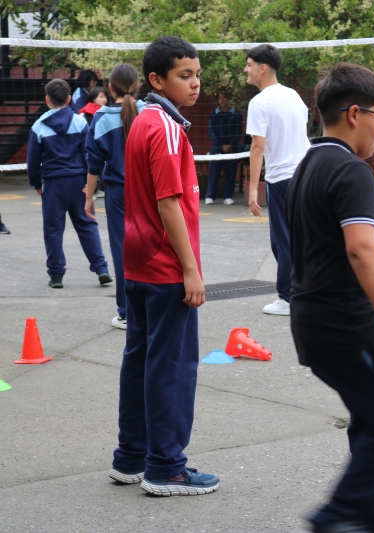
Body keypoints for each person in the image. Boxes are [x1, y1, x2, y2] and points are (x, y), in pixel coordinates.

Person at [286, 62, 374, 533]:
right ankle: (340, 517)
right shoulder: (352, 171)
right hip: (350, 327)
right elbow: (357, 248)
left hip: (315, 324)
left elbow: (329, 240)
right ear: (353, 114)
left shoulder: (309, 164)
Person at [110, 36, 219, 496]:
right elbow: (169, 204)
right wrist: (190, 270)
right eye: (184, 76)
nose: (195, 83)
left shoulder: (142, 120)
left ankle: (130, 457)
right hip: (164, 269)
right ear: (157, 79)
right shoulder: (166, 128)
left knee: (140, 360)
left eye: (196, 74)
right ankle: (166, 466)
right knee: (171, 366)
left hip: (136, 266)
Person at [26, 78, 111, 289]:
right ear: (69, 99)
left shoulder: (38, 126)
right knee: (87, 224)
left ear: (47, 99)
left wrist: (36, 182)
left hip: (53, 183)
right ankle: (101, 269)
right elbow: (89, 154)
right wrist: (93, 182)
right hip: (79, 181)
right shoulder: (80, 121)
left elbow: (33, 160)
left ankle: (56, 275)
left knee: (53, 229)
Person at [245, 44, 310, 316]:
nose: (245, 70)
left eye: (249, 65)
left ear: (263, 68)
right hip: (305, 174)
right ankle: (303, 290)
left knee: (284, 240)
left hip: (282, 179)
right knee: (292, 239)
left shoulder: (259, 102)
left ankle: (287, 297)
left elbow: (257, 147)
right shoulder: (294, 95)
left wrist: (251, 190)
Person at [85, 64, 146, 331]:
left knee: (123, 251)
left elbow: (94, 162)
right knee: (151, 247)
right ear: (139, 86)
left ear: (110, 89)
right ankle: (151, 307)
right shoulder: (152, 112)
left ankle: (126, 313)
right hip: (148, 191)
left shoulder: (101, 118)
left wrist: (89, 196)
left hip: (118, 192)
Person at [206, 89, 243, 205]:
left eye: (224, 97)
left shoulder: (236, 114)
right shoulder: (214, 114)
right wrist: (220, 145)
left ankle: (228, 196)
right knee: (214, 172)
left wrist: (231, 145)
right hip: (217, 148)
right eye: (220, 97)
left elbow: (238, 131)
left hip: (232, 149)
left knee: (231, 173)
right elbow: (211, 131)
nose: (222, 100)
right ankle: (210, 196)